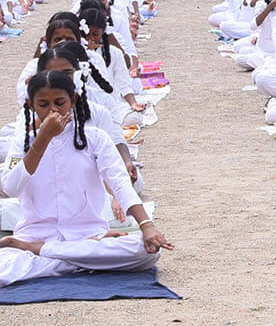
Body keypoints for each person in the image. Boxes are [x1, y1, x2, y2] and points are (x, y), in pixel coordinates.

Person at [0, 72, 172, 286]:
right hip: (37, 234)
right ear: (31, 104)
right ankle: (80, 259)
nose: (52, 110)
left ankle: (42, 252)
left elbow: (120, 183)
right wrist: (43, 138)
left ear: (73, 100)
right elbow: (11, 188)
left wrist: (146, 225)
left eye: (59, 103)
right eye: (43, 104)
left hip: (85, 236)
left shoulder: (95, 138)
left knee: (148, 252)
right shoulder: (22, 142)